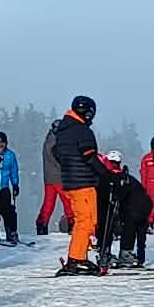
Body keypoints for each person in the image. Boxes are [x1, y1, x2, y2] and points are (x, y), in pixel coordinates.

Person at [53, 96, 104, 276]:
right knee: (86, 221)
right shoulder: (82, 130)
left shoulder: (63, 130)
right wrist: (107, 174)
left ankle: (79, 256)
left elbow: (55, 152)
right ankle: (76, 259)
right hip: (83, 182)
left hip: (70, 181)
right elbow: (90, 156)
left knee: (83, 220)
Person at [97, 150, 154, 267]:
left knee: (112, 224)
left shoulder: (115, 177)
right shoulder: (124, 177)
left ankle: (113, 254)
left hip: (136, 207)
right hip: (141, 207)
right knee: (121, 224)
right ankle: (121, 253)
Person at [36, 115, 66, 236]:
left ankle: (42, 224)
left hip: (49, 177)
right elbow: (58, 159)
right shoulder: (55, 142)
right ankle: (72, 223)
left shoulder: (49, 140)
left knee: (48, 203)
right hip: (59, 176)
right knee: (67, 201)